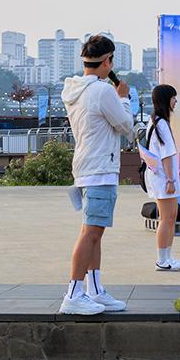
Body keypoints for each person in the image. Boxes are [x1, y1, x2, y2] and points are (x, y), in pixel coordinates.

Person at [58, 34, 133, 315]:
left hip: (87, 166)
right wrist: (124, 98)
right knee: (90, 233)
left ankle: (95, 290)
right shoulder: (102, 91)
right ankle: (74, 293)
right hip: (100, 168)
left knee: (94, 232)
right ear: (107, 62)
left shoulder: (75, 90)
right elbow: (125, 125)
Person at [140, 84, 180, 271]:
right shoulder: (161, 124)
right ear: (166, 100)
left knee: (170, 217)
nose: (176, 101)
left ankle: (168, 257)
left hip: (161, 176)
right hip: (163, 178)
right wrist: (170, 180)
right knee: (167, 218)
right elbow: (166, 154)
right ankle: (162, 259)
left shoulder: (156, 121)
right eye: (174, 98)